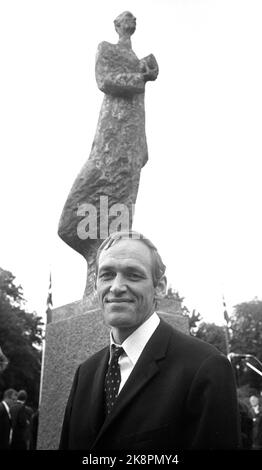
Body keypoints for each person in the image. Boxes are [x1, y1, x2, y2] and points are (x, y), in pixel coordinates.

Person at [59, 230, 241, 450]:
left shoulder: (206, 367)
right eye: (106, 274)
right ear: (96, 285)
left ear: (160, 287)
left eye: (133, 275)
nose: (116, 287)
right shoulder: (84, 374)